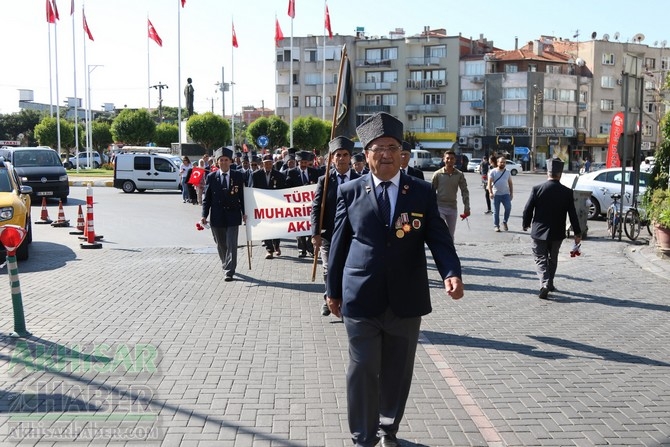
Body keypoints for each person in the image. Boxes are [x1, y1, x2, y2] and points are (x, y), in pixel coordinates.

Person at [326, 112, 464, 447]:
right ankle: (363, 436)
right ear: (367, 154)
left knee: (397, 372)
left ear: (402, 153)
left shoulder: (419, 191)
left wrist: (451, 272)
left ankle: (388, 426)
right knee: (362, 369)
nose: (385, 153)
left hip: (406, 298)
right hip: (360, 295)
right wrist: (331, 290)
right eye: (378, 148)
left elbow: (439, 238)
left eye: (392, 147)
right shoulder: (349, 191)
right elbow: (338, 244)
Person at [311, 136, 360, 317]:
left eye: (345, 154)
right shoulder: (324, 180)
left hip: (352, 233)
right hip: (328, 234)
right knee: (329, 267)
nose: (341, 158)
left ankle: (345, 300)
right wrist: (315, 232)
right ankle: (329, 297)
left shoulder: (359, 180)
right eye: (337, 155)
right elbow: (316, 207)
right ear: (332, 158)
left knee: (348, 267)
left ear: (350, 158)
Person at [522, 158, 582, 299]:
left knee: (540, 258)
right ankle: (550, 282)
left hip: (539, 231)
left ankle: (545, 283)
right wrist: (577, 233)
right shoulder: (567, 192)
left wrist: (526, 223)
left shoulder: (537, 189)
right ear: (560, 174)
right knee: (552, 258)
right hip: (557, 232)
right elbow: (573, 214)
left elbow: (527, 209)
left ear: (547, 173)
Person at [201, 147, 247, 282]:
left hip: (233, 215)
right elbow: (206, 199)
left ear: (231, 161)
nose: (224, 162)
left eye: (226, 160)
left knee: (232, 243)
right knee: (221, 244)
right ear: (217, 162)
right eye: (221, 160)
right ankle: (225, 263)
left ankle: (229, 270)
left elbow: (243, 197)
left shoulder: (238, 176)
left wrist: (245, 212)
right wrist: (204, 215)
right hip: (217, 215)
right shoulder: (211, 177)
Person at [250, 154, 287, 259]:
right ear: (262, 164)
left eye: (270, 163)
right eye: (266, 163)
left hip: (275, 206)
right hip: (262, 206)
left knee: (276, 227)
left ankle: (277, 246)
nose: (268, 165)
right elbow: (251, 189)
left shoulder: (279, 175)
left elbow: (283, 190)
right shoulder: (255, 175)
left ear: (272, 164)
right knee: (265, 228)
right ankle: (269, 249)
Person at [430, 149, 470, 241]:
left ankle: (449, 253)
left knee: (450, 235)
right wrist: (430, 208)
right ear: (443, 159)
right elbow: (431, 192)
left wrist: (467, 207)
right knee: (441, 230)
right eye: (447, 158)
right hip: (440, 207)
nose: (449, 160)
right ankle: (439, 252)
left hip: (452, 208)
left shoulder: (459, 174)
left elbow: (464, 191)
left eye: (452, 158)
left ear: (455, 160)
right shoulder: (437, 174)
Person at [285, 150, 319, 257]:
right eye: (301, 162)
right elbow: (287, 188)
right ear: (297, 162)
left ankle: (310, 248)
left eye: (305, 162)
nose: (303, 164)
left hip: (310, 205)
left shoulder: (314, 172)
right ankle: (301, 249)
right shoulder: (291, 172)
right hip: (297, 206)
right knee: (299, 227)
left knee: (310, 226)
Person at [487, 156, 513, 232]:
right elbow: (489, 183)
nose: (502, 163)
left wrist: (511, 193)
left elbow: (510, 183)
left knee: (508, 208)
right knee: (496, 211)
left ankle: (505, 222)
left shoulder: (507, 172)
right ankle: (496, 226)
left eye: (504, 162)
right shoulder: (493, 171)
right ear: (497, 163)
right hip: (496, 195)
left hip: (505, 194)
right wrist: (490, 193)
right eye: (501, 162)